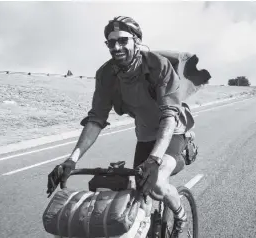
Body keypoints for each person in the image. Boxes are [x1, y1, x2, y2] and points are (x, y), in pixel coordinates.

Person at [47, 16, 200, 237]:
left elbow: (168, 116)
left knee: (156, 183)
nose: (116, 47)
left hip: (173, 132)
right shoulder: (106, 74)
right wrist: (72, 160)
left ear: (136, 41)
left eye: (123, 40)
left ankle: (180, 217)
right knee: (139, 198)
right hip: (145, 135)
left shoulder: (158, 66)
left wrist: (155, 160)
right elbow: (95, 120)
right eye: (111, 42)